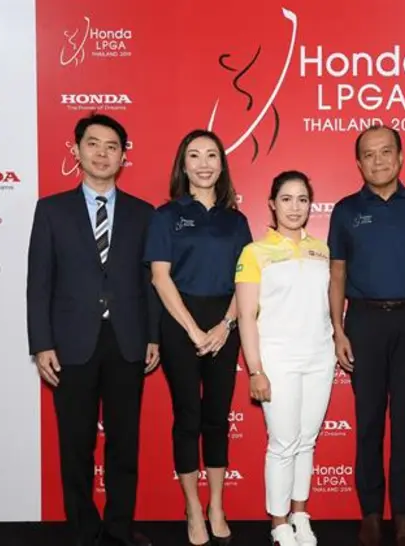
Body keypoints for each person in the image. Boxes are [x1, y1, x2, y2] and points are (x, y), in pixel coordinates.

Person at [27, 113, 160, 546]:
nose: (102, 154)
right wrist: (41, 343)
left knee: (124, 443)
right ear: (77, 150)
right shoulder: (51, 210)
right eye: (93, 144)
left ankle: (119, 529)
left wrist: (153, 335)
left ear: (123, 156)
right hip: (70, 344)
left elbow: (151, 281)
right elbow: (39, 282)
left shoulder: (143, 213)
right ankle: (84, 531)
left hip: (127, 341)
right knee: (75, 444)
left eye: (111, 147)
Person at [327, 125, 405, 546]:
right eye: (369, 154)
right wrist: (338, 330)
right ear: (358, 163)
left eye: (385, 152)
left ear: (400, 157)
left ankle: (404, 516)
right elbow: (337, 274)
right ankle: (371, 515)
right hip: (364, 323)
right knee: (369, 422)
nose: (378, 161)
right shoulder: (345, 211)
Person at [144, 129, 252, 546]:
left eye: (211, 155)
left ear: (222, 165)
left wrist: (225, 325)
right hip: (179, 323)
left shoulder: (236, 220)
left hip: (225, 323)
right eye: (194, 155)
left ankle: (216, 506)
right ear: (183, 165)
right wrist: (192, 330)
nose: (204, 163)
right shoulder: (166, 215)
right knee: (188, 415)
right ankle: (192, 506)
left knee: (217, 417)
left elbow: (246, 281)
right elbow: (160, 277)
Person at [235, 171, 335, 546]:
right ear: (272, 204)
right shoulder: (254, 253)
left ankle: (300, 515)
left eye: (302, 199)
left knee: (306, 441)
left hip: (320, 356)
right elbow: (246, 316)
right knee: (283, 444)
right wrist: (255, 370)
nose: (295, 207)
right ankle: (278, 524)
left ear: (310, 205)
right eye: (287, 199)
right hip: (277, 360)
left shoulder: (322, 250)